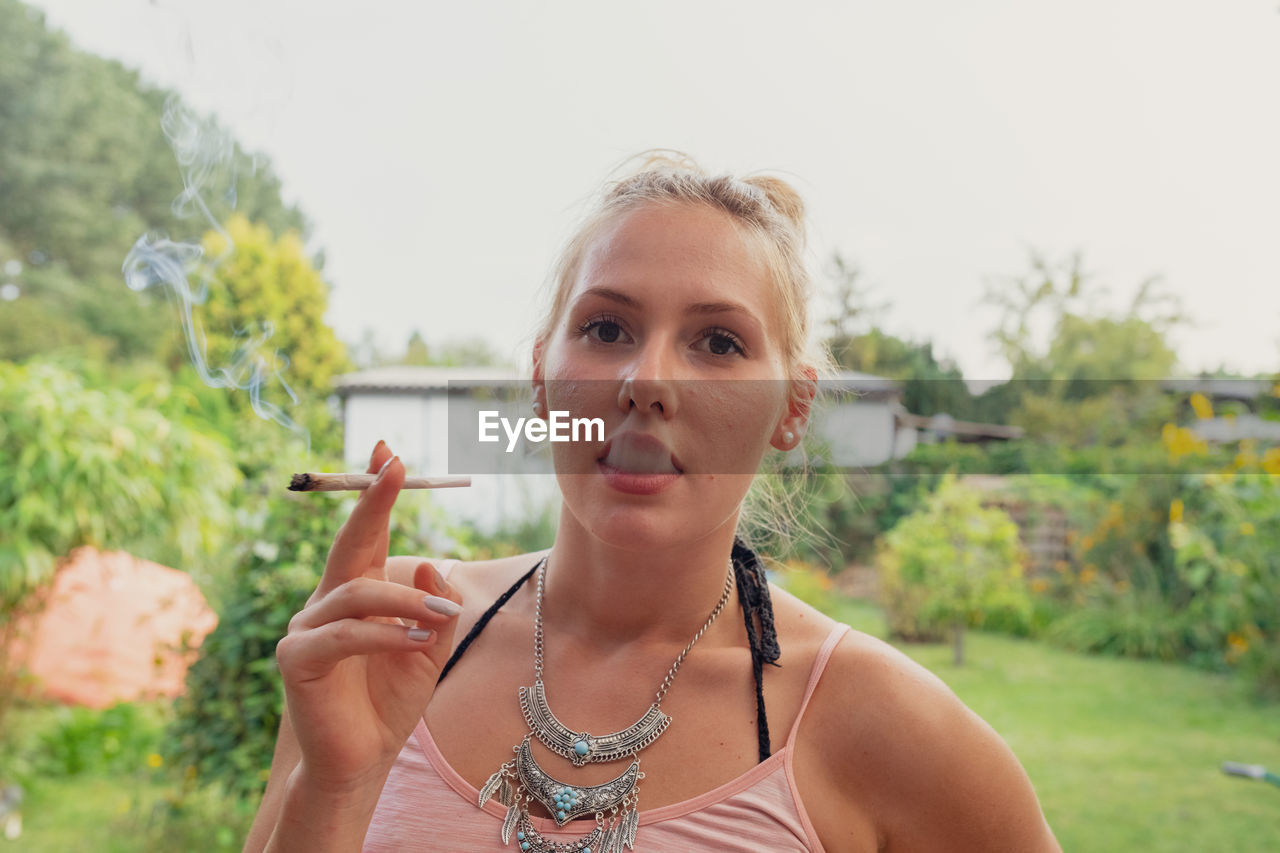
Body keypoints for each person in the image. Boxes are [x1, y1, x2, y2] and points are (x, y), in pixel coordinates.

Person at [245, 153, 1062, 852]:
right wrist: (337, 785)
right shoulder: (390, 635)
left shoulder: (877, 718)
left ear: (791, 408)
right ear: (540, 376)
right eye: (607, 329)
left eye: (719, 342)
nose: (648, 383)